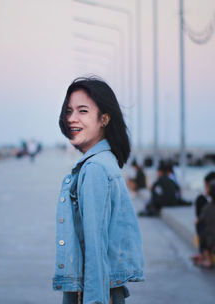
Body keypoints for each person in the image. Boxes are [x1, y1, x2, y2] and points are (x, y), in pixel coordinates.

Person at [53, 77, 144, 304]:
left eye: (82, 111)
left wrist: (94, 300)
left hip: (92, 291)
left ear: (104, 119)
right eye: (69, 111)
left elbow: (95, 248)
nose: (72, 119)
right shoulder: (104, 161)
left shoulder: (94, 169)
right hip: (103, 288)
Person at [191, 171, 215, 262]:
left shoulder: (204, 203)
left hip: (214, 240)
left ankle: (206, 256)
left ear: (208, 187)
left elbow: (199, 220)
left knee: (200, 224)